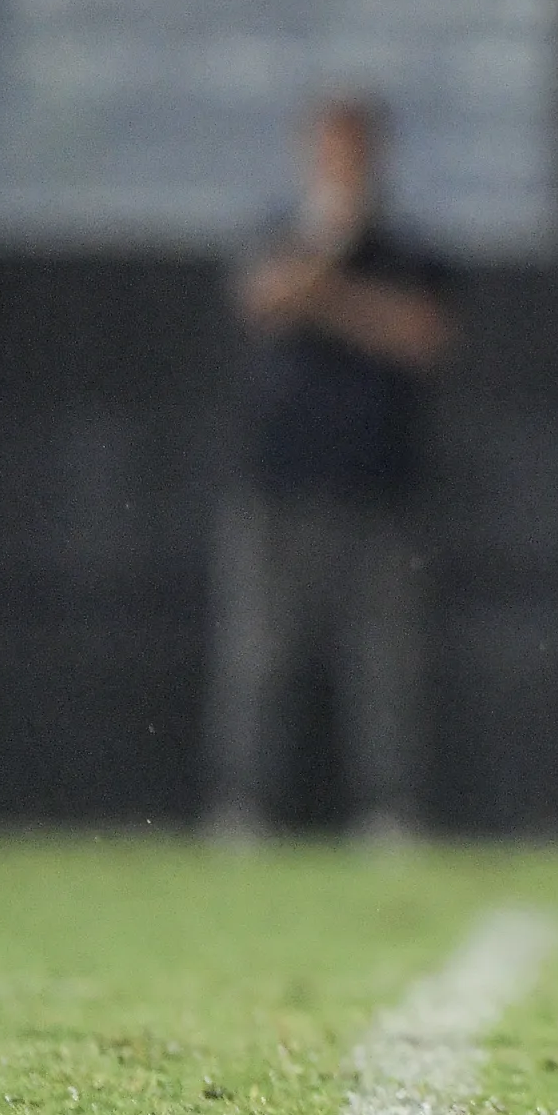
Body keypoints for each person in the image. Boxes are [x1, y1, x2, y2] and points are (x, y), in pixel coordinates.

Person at [204, 95, 456, 842]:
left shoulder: (411, 252)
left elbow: (419, 334)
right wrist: (328, 259)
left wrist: (327, 292)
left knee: (384, 665)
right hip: (276, 484)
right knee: (259, 656)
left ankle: (389, 812)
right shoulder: (274, 233)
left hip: (379, 487)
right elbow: (266, 300)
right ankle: (244, 808)